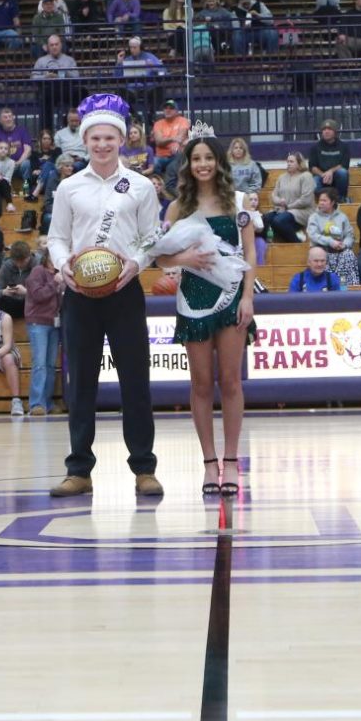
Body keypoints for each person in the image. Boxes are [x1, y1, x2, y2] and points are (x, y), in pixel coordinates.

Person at [47, 93, 163, 498]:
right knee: (80, 384)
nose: (101, 144)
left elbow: (152, 238)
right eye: (94, 138)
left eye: (108, 138)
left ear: (120, 140)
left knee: (136, 381)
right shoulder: (69, 187)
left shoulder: (141, 186)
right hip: (79, 295)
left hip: (124, 291)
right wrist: (64, 266)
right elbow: (57, 238)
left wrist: (135, 263)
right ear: (85, 141)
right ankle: (79, 469)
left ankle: (144, 468)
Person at [154, 125, 255, 495]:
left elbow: (250, 254)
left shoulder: (238, 202)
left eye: (208, 157)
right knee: (200, 383)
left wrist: (248, 298)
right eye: (196, 158)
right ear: (188, 164)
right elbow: (161, 256)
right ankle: (208, 463)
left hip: (231, 300)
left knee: (230, 381)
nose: (202, 164)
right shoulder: (179, 206)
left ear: (219, 161)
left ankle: (232, 461)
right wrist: (186, 258)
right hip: (194, 297)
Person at [24, 247, 62, 416]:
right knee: (40, 364)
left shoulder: (60, 274)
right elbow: (38, 295)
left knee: (50, 365)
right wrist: (55, 282)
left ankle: (47, 402)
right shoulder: (37, 271)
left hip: (54, 323)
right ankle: (36, 403)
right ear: (47, 257)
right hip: (38, 322)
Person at [305, 187, 359, 286]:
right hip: (322, 250)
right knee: (322, 258)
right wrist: (330, 242)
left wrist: (344, 245)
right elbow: (313, 235)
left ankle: (345, 288)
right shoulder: (314, 217)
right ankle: (327, 288)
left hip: (340, 251)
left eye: (324, 200)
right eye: (320, 200)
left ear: (332, 202)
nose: (321, 203)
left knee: (349, 255)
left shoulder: (342, 217)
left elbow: (349, 235)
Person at [262, 152, 315, 242]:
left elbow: (306, 200)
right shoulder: (281, 177)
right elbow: (274, 195)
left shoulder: (306, 176)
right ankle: (272, 244)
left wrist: (288, 207)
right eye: (288, 162)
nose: (288, 164)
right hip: (283, 210)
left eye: (291, 161)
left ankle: (297, 243)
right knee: (265, 219)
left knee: (279, 221)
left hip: (302, 211)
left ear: (299, 163)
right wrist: (279, 201)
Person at [32, 34, 79, 132]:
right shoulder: (41, 61)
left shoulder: (69, 60)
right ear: (48, 47)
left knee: (81, 92)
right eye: (52, 45)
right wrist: (46, 76)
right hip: (48, 89)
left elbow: (76, 76)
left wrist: (65, 72)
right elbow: (33, 77)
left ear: (61, 45)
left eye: (56, 44)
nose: (54, 47)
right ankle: (47, 132)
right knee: (45, 95)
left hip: (66, 88)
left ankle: (73, 127)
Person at [306, 119, 350, 202]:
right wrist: (323, 175)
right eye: (324, 129)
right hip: (320, 176)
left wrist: (330, 172)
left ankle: (341, 199)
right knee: (314, 183)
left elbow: (344, 165)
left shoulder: (344, 146)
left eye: (329, 129)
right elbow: (312, 167)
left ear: (335, 132)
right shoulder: (315, 147)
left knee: (343, 173)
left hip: (337, 176)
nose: (326, 131)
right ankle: (323, 201)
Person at [0, 240, 36, 319]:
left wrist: (26, 292)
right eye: (16, 261)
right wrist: (4, 292)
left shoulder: (38, 265)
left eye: (22, 261)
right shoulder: (7, 266)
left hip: (31, 304)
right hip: (11, 303)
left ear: (29, 256)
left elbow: (45, 294)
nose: (19, 264)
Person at [152, 100, 191, 175]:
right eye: (166, 108)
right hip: (161, 156)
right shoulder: (158, 124)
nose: (168, 110)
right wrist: (173, 139)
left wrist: (176, 143)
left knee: (179, 160)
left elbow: (181, 136)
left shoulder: (183, 121)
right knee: (155, 162)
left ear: (176, 111)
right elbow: (159, 141)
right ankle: (160, 182)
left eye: (171, 108)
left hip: (176, 155)